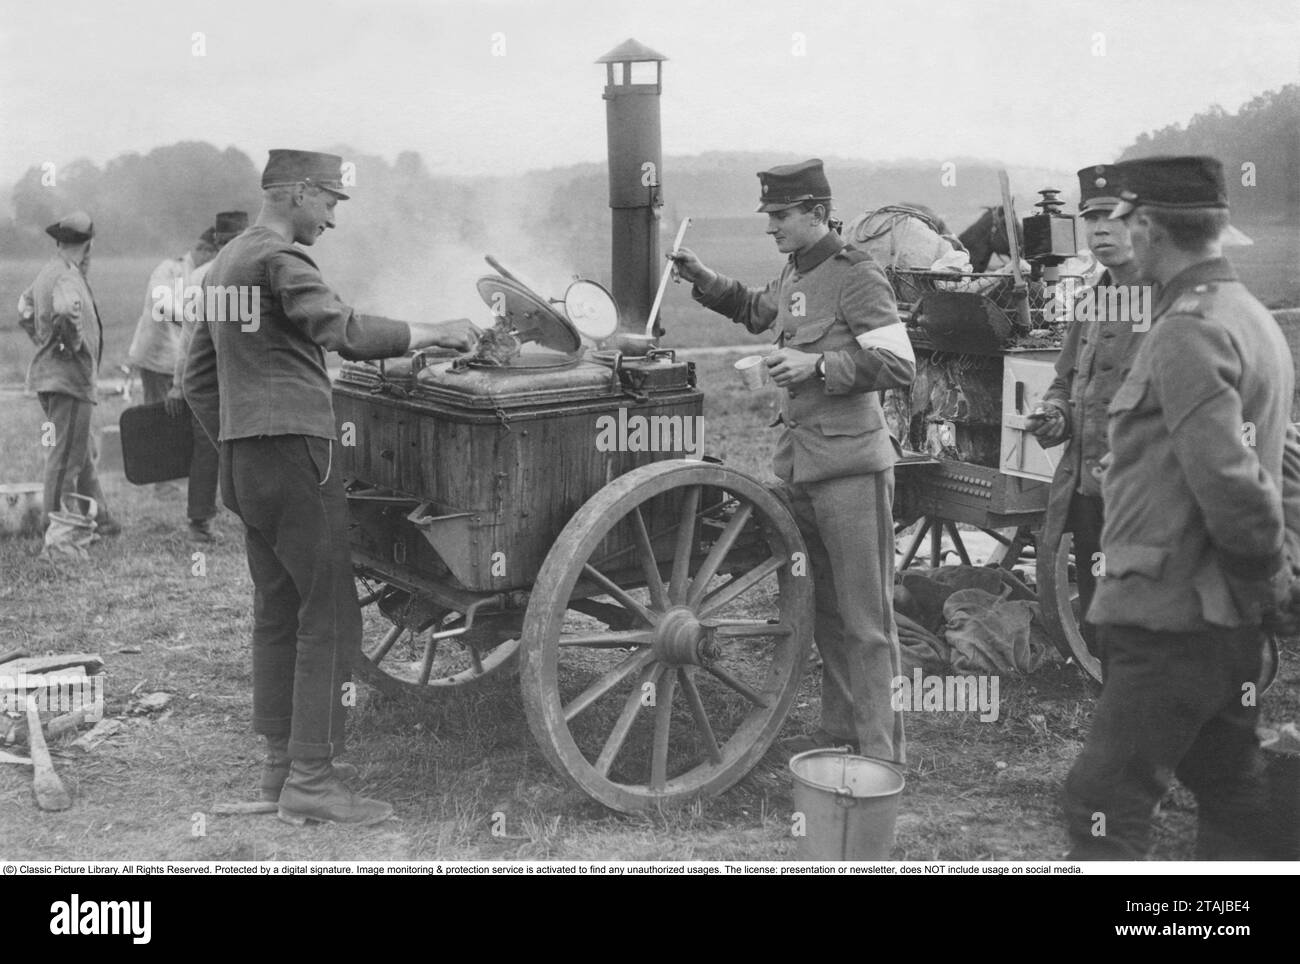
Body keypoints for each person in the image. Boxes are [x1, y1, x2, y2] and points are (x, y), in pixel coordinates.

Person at [183, 150, 478, 826]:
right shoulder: (282, 260)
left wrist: (239, 432)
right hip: (296, 458)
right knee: (332, 616)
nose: (335, 218)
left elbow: (193, 376)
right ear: (296, 193)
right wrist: (438, 330)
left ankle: (280, 772)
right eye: (331, 202)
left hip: (243, 462)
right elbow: (341, 331)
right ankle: (313, 781)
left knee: (278, 610)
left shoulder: (224, 263)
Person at [1063, 155, 1297, 860]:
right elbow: (1260, 470)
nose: (1120, 232)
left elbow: (1232, 482)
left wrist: (1264, 587)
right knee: (1230, 782)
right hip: (1215, 615)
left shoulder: (1187, 328)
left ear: (1151, 226)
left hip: (1174, 615)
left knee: (1102, 799)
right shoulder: (1244, 314)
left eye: (1127, 218)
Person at [671, 159, 915, 765]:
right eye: (768, 215)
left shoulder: (857, 274)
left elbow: (900, 366)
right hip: (802, 468)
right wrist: (702, 277)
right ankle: (841, 732)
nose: (770, 226)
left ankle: (882, 756)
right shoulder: (797, 270)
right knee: (827, 614)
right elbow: (759, 311)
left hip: (852, 471)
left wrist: (820, 367)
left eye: (780, 215)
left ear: (816, 212)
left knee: (867, 619)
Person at [1031, 165, 1146, 654]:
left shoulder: (1170, 301)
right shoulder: (1093, 298)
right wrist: (1055, 413)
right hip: (1086, 490)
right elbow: (1065, 379)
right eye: (1091, 219)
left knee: (1146, 623)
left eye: (1112, 217)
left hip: (1143, 499)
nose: (1099, 230)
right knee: (1102, 621)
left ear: (1143, 224)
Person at [17, 211, 121, 536]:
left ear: (61, 241)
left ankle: (102, 519)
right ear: (88, 246)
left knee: (80, 452)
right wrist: (70, 345)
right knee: (65, 460)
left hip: (52, 379)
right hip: (69, 381)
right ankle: (57, 533)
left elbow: (25, 308)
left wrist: (42, 341)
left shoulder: (49, 271)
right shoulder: (67, 277)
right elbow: (64, 310)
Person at [166, 211, 249, 542]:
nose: (232, 248)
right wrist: (177, 384)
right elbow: (187, 337)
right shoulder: (200, 279)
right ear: (218, 243)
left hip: (239, 376)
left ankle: (246, 516)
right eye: (227, 242)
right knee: (209, 449)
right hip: (211, 377)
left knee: (241, 448)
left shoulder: (250, 273)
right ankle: (201, 520)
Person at [127, 229, 218, 405]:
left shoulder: (206, 275)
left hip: (185, 362)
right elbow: (162, 305)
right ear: (204, 250)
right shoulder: (170, 269)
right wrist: (195, 322)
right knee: (160, 417)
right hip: (160, 360)